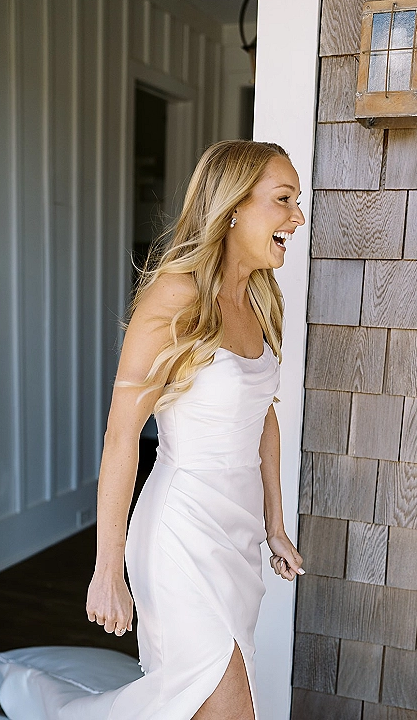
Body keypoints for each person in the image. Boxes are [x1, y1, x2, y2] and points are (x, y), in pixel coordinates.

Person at [86, 139, 305, 719]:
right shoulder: (174, 296)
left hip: (237, 538)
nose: (297, 218)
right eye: (284, 200)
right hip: (180, 534)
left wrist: (274, 525)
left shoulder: (259, 299)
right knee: (224, 706)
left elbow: (264, 416)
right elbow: (121, 436)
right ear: (235, 206)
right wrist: (108, 569)